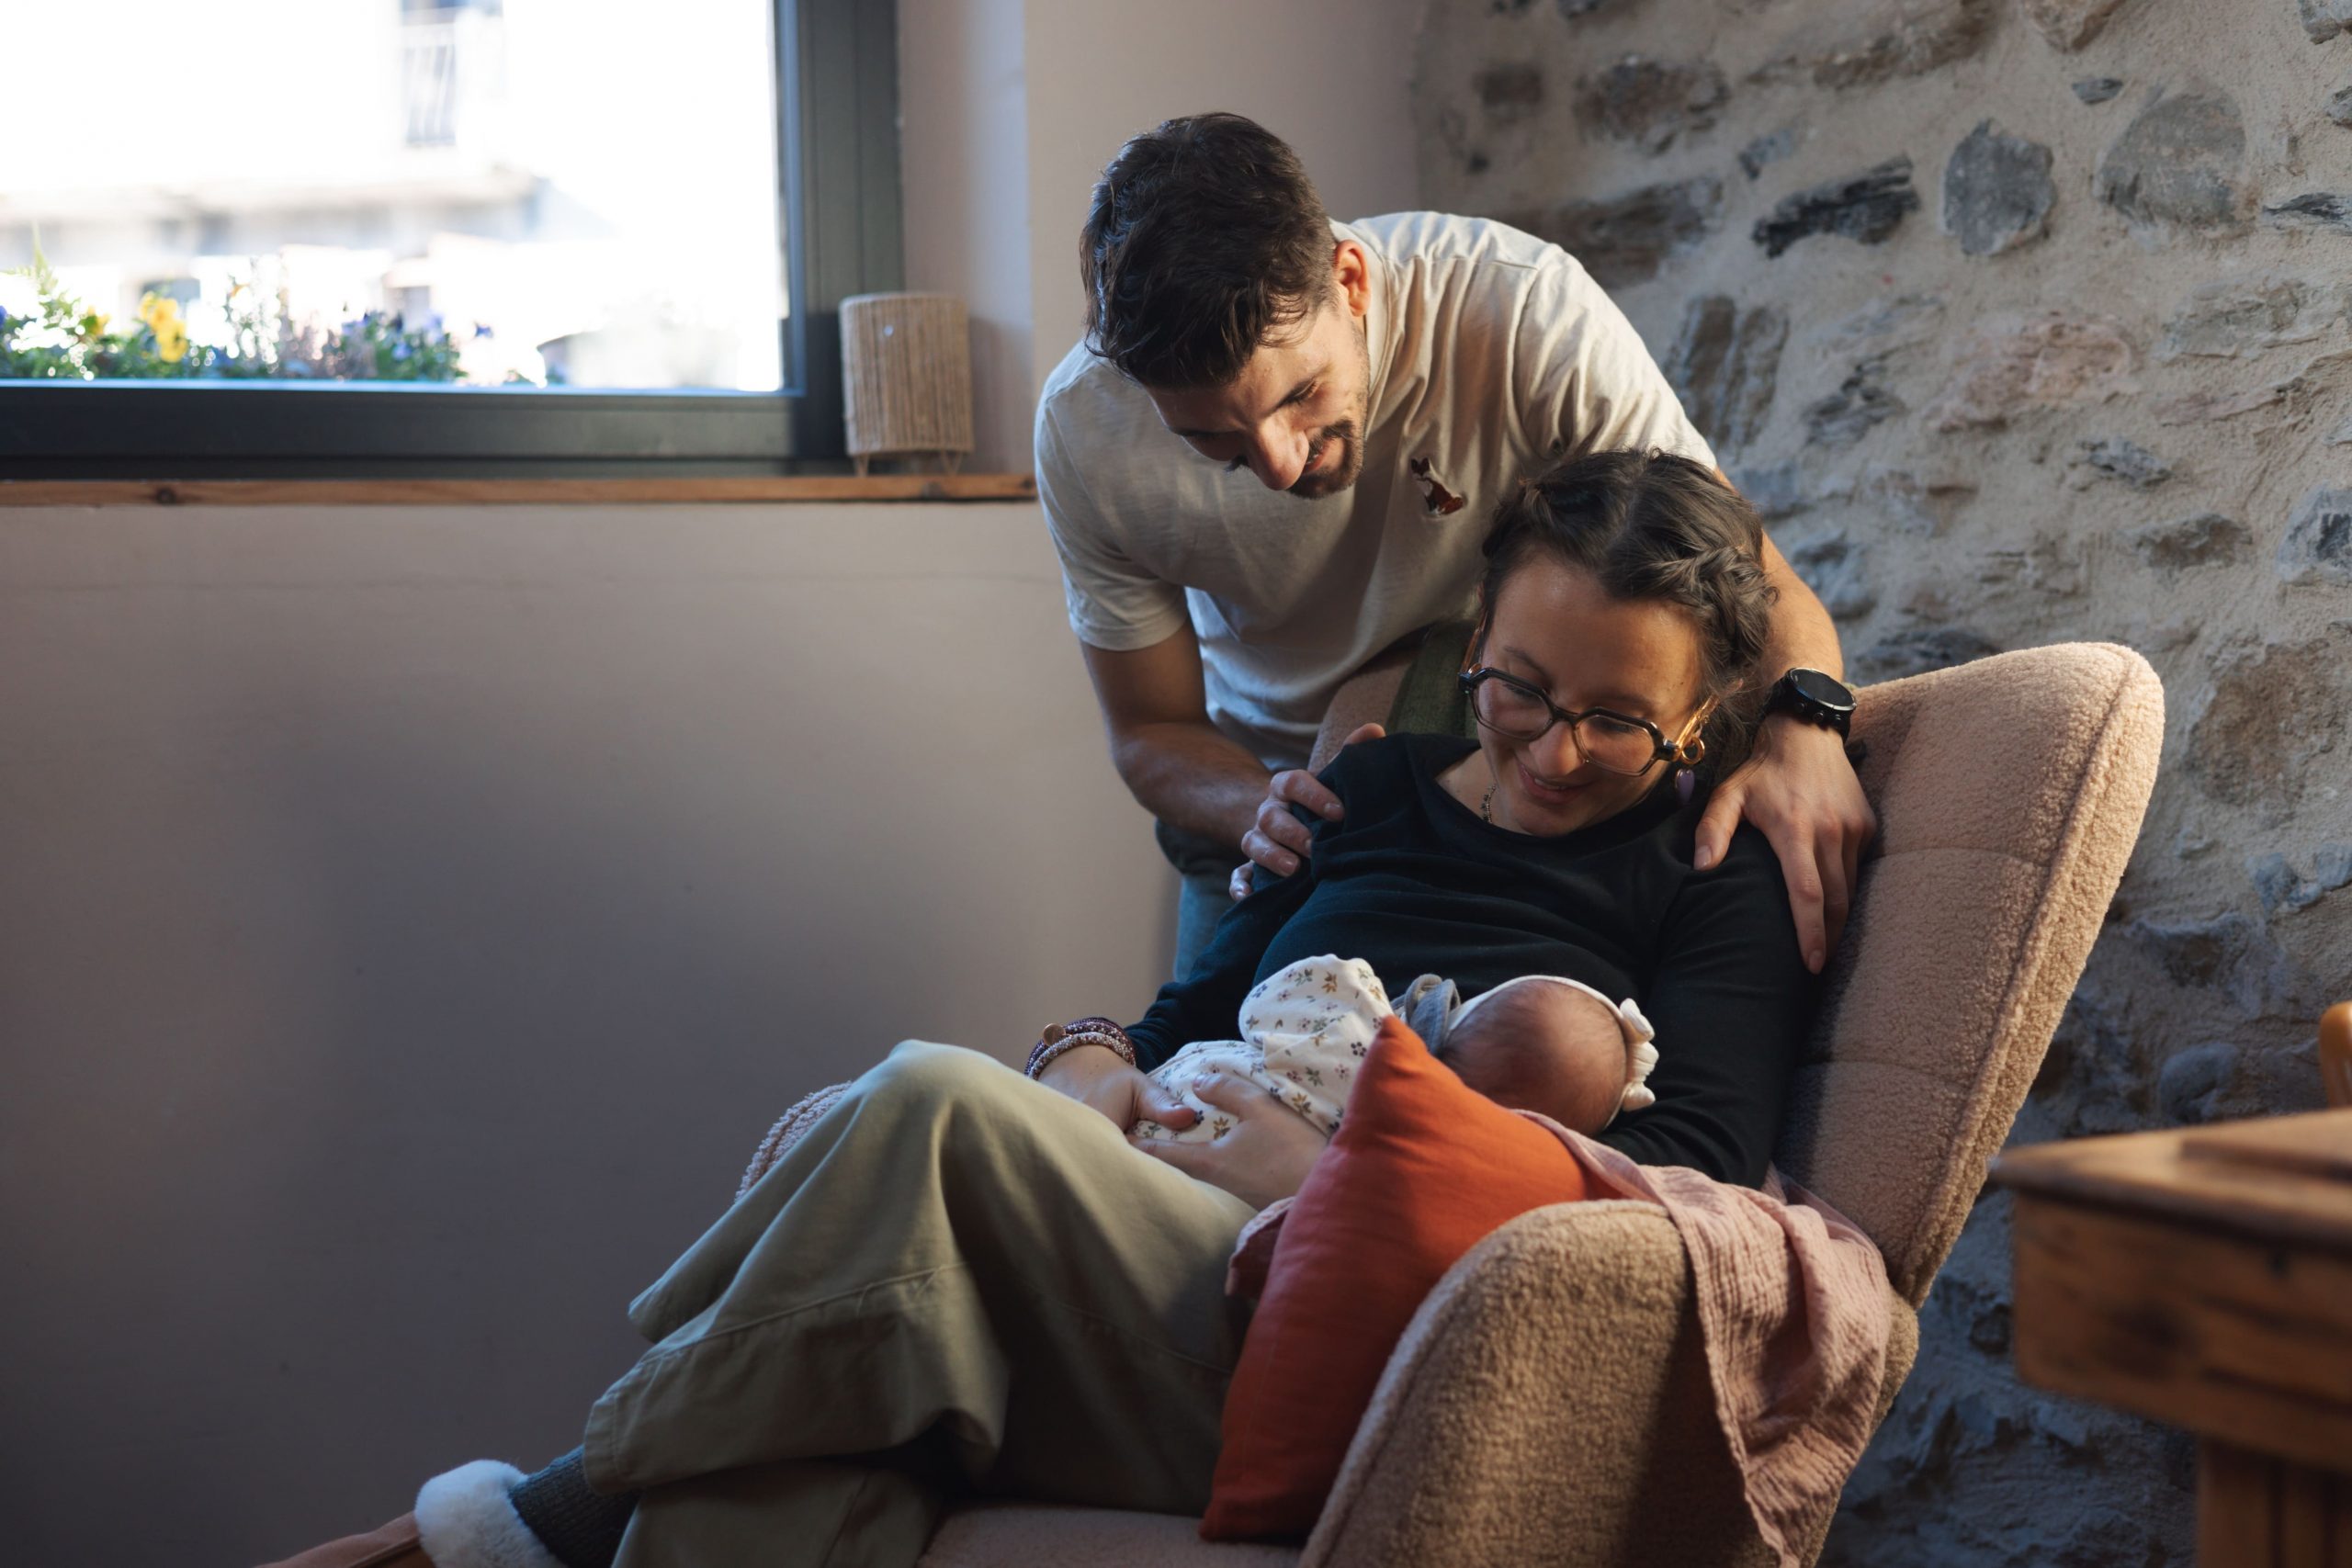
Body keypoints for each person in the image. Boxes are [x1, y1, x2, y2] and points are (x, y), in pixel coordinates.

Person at [279, 448, 1813, 1568]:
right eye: (1522, 689)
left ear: (1701, 716)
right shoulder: (1362, 786)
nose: (1553, 751)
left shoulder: (1706, 870)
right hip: (1142, 1215)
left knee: (928, 1097)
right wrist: (1085, 1072)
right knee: (792, 1469)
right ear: (1474, 641)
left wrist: (1321, 1181)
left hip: (1314, 1304)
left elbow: (1697, 1171)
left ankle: (521, 1521)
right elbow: (1170, 1015)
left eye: (1621, 721)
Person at [1036, 112, 1873, 984]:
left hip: (1511, 757)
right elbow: (1151, 731)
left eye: (1303, 393)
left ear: (1351, 280)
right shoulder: (1085, 432)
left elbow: (1745, 574)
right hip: (1277, 804)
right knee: (1190, 1081)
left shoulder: (1521, 311)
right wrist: (1264, 808)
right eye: (1214, 440)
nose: (1279, 464)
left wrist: (1808, 727)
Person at [1123, 953, 1658, 1145]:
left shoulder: (1362, 1044)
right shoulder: (1416, 1154)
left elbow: (1260, 1008)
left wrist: (1358, 990)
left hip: (1165, 1120)